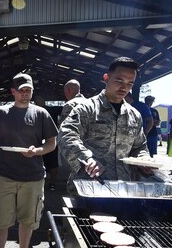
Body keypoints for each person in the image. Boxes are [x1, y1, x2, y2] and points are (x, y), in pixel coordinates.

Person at [0, 73, 58, 248]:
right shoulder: (1, 113)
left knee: (28, 220)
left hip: (33, 177)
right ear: (13, 91)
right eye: (21, 90)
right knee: (0, 221)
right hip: (4, 176)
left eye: (28, 90)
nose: (25, 93)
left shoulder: (41, 114)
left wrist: (39, 150)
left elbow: (52, 142)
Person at [59, 57, 152, 195]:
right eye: (119, 80)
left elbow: (139, 146)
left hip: (123, 189)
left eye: (130, 83)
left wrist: (143, 159)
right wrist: (87, 158)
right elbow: (66, 134)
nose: (124, 87)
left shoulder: (134, 115)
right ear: (106, 78)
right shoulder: (87, 108)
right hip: (88, 187)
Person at [34, 95, 60, 190]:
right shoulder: (32, 110)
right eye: (36, 100)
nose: (38, 102)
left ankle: (52, 183)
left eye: (40, 99)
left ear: (44, 101)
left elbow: (66, 110)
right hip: (36, 141)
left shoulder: (52, 109)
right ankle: (39, 181)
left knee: (53, 163)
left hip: (50, 140)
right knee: (37, 161)